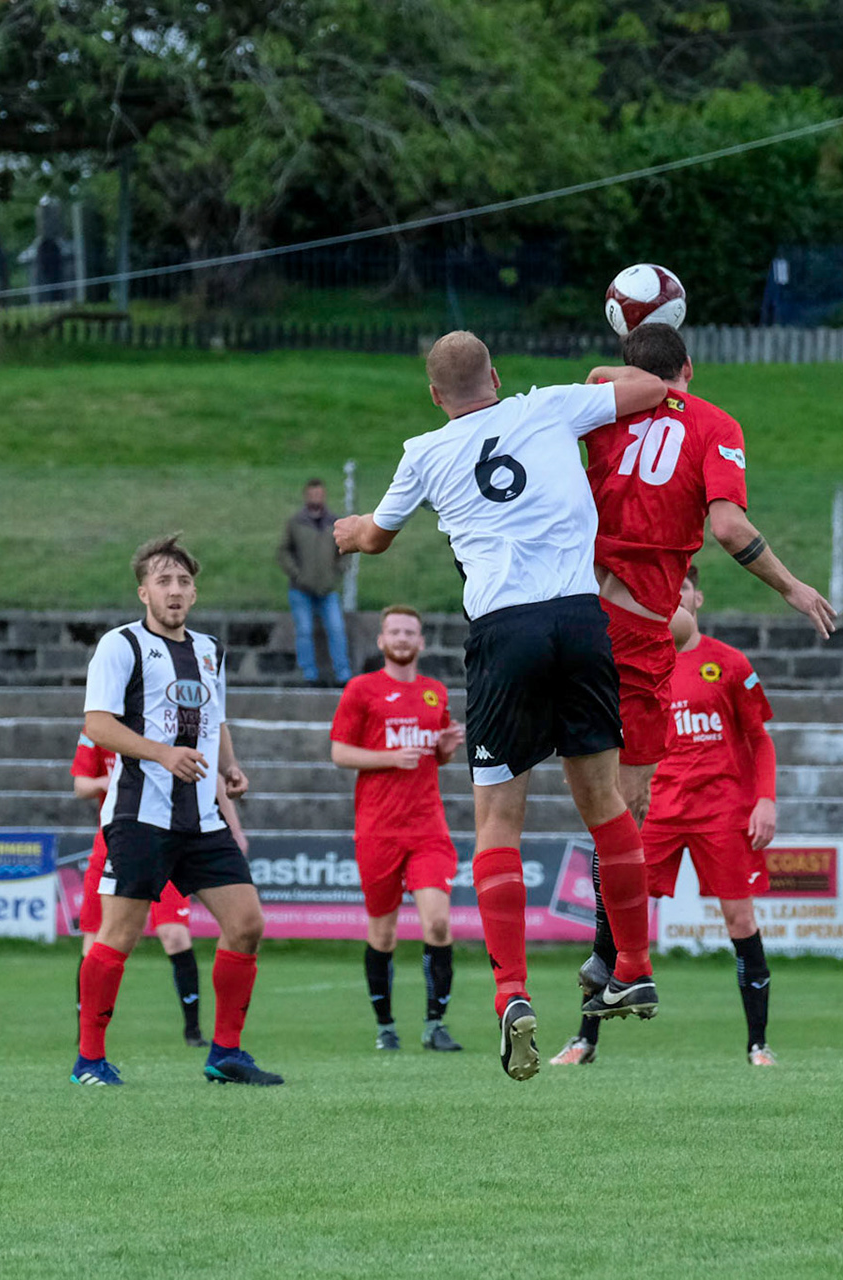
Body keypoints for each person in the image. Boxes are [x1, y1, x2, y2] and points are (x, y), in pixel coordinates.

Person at [334, 330, 670, 1081]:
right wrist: (602, 372)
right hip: (581, 620)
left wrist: (349, 534)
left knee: (498, 822)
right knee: (605, 803)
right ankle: (634, 965)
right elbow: (657, 390)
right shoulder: (548, 406)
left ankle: (512, 992)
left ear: (433, 396)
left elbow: (376, 539)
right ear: (496, 375)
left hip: (504, 631)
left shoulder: (424, 451)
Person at [573, 322, 835, 1022]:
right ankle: (619, 961)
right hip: (632, 630)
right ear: (689, 366)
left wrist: (622, 371)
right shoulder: (714, 423)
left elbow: (603, 379)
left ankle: (570, 968)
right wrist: (794, 588)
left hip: (562, 608)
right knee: (623, 806)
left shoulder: (600, 401)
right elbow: (727, 528)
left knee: (530, 795)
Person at [73, 533, 283, 1087]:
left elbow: (216, 719)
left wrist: (227, 767)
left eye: (183, 581)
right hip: (140, 815)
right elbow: (97, 724)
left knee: (247, 924)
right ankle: (89, 1060)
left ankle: (226, 1054)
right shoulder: (121, 646)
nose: (174, 590)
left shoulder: (210, 649)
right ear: (144, 591)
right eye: (163, 581)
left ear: (194, 593)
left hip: (202, 820)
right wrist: (163, 753)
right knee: (118, 934)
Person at [552, 566, 780, 1067]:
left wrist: (766, 799)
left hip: (719, 812)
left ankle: (758, 1045)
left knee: (740, 919)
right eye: (663, 593)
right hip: (651, 808)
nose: (672, 601)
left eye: (680, 592)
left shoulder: (730, 664)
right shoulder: (633, 660)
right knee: (613, 915)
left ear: (697, 597)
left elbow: (760, 739)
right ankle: (584, 1039)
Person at [328, 604, 466, 1053]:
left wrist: (445, 748)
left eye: (410, 632)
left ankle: (434, 1025)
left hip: (428, 827)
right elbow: (340, 753)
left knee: (439, 924)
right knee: (383, 933)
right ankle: (386, 1026)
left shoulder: (435, 693)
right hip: (377, 829)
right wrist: (390, 757)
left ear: (422, 642)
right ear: (382, 641)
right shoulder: (361, 690)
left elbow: (436, 756)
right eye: (394, 632)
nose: (403, 638)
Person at [71, 734, 250, 1048]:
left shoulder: (183, 715)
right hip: (123, 838)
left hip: (178, 838)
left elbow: (211, 770)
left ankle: (198, 1034)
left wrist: (234, 827)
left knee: (181, 935)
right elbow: (81, 784)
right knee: (103, 939)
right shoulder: (106, 724)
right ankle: (88, 1045)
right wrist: (104, 781)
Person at [279, 477, 352, 685]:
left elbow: (345, 550)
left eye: (319, 494)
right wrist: (296, 574)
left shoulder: (334, 522)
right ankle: (308, 675)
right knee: (304, 631)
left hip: (327, 589)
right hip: (300, 588)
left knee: (337, 629)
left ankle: (343, 674)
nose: (316, 498)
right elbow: (284, 552)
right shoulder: (296, 523)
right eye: (312, 494)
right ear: (306, 495)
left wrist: (338, 571)